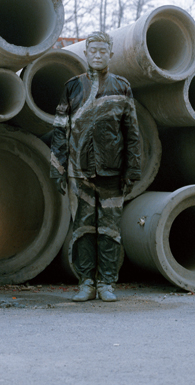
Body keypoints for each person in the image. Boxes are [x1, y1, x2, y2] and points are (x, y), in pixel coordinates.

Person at [50, 31, 141, 302]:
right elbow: (59, 130)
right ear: (86, 53)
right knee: (83, 227)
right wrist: (58, 167)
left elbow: (132, 132)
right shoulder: (72, 87)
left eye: (103, 51)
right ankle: (86, 282)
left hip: (112, 172)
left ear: (110, 54)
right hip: (79, 172)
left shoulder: (122, 86)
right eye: (93, 51)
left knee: (110, 229)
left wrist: (132, 169)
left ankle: (107, 284)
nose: (98, 55)